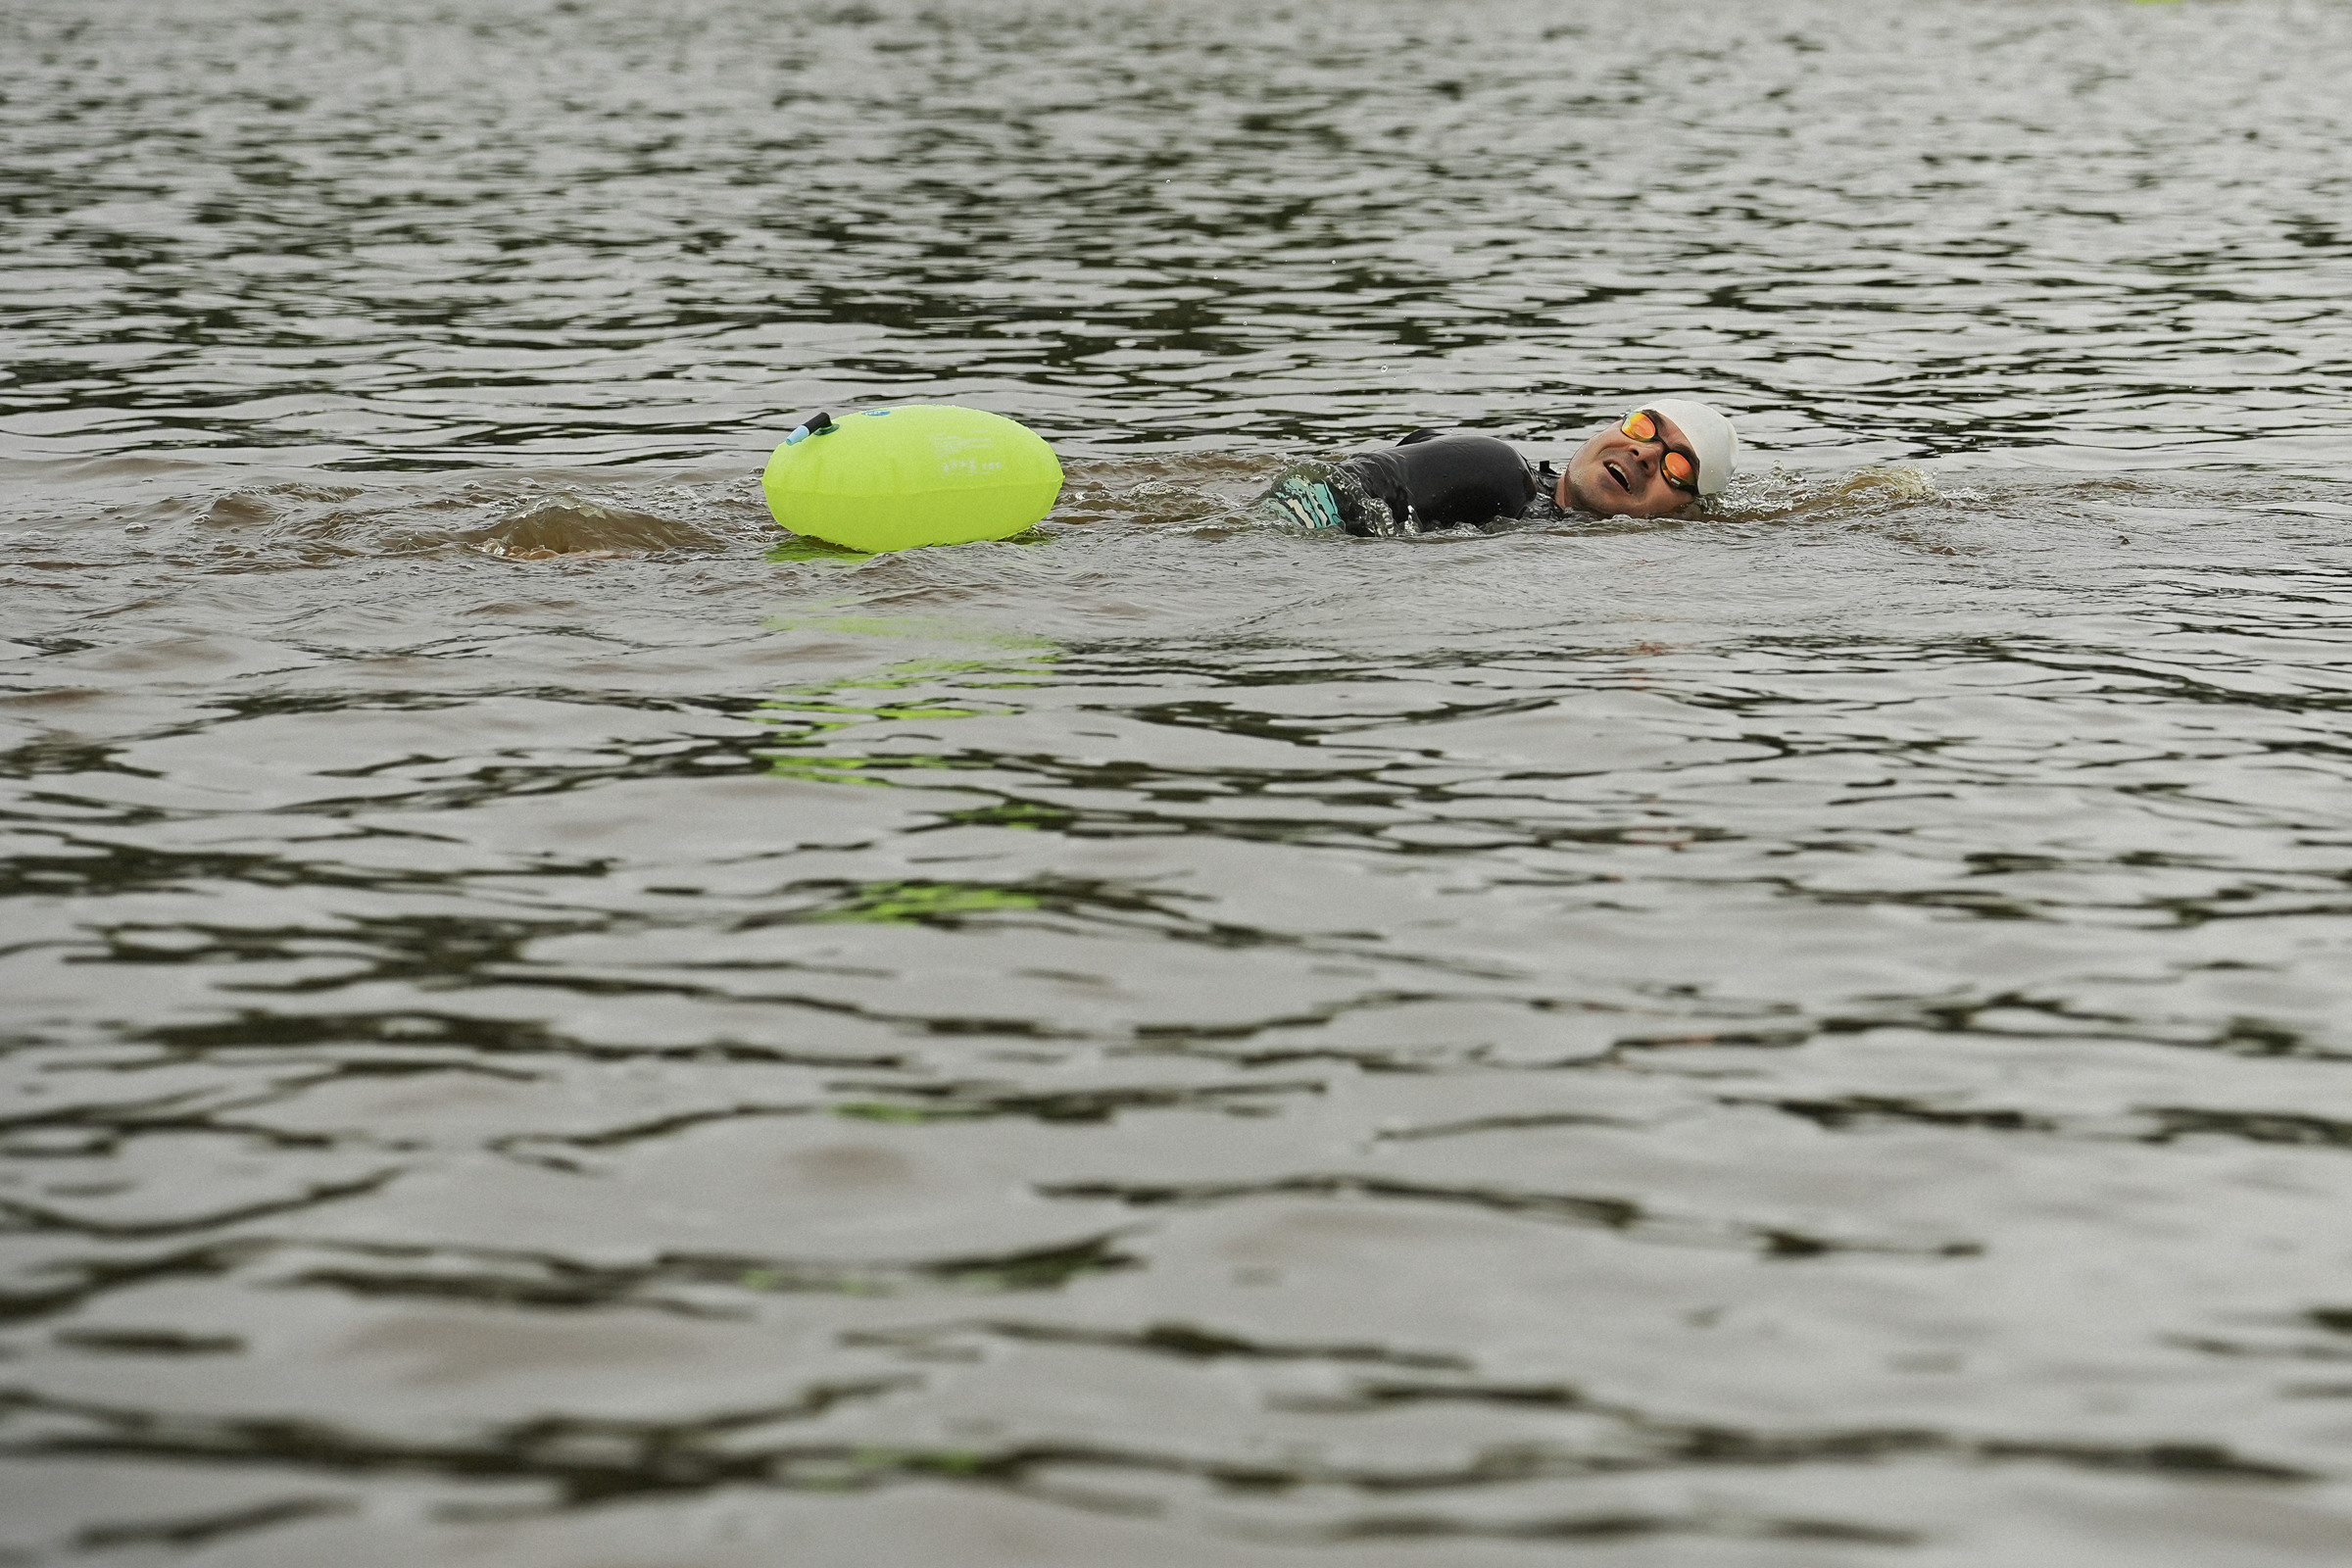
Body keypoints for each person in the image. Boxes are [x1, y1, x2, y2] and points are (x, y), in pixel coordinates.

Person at [1255, 398, 1740, 536]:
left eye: (1676, 467)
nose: (1645, 453)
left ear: (1685, 515)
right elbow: (1305, 501)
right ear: (1609, 428)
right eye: (1642, 427)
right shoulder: (1499, 473)